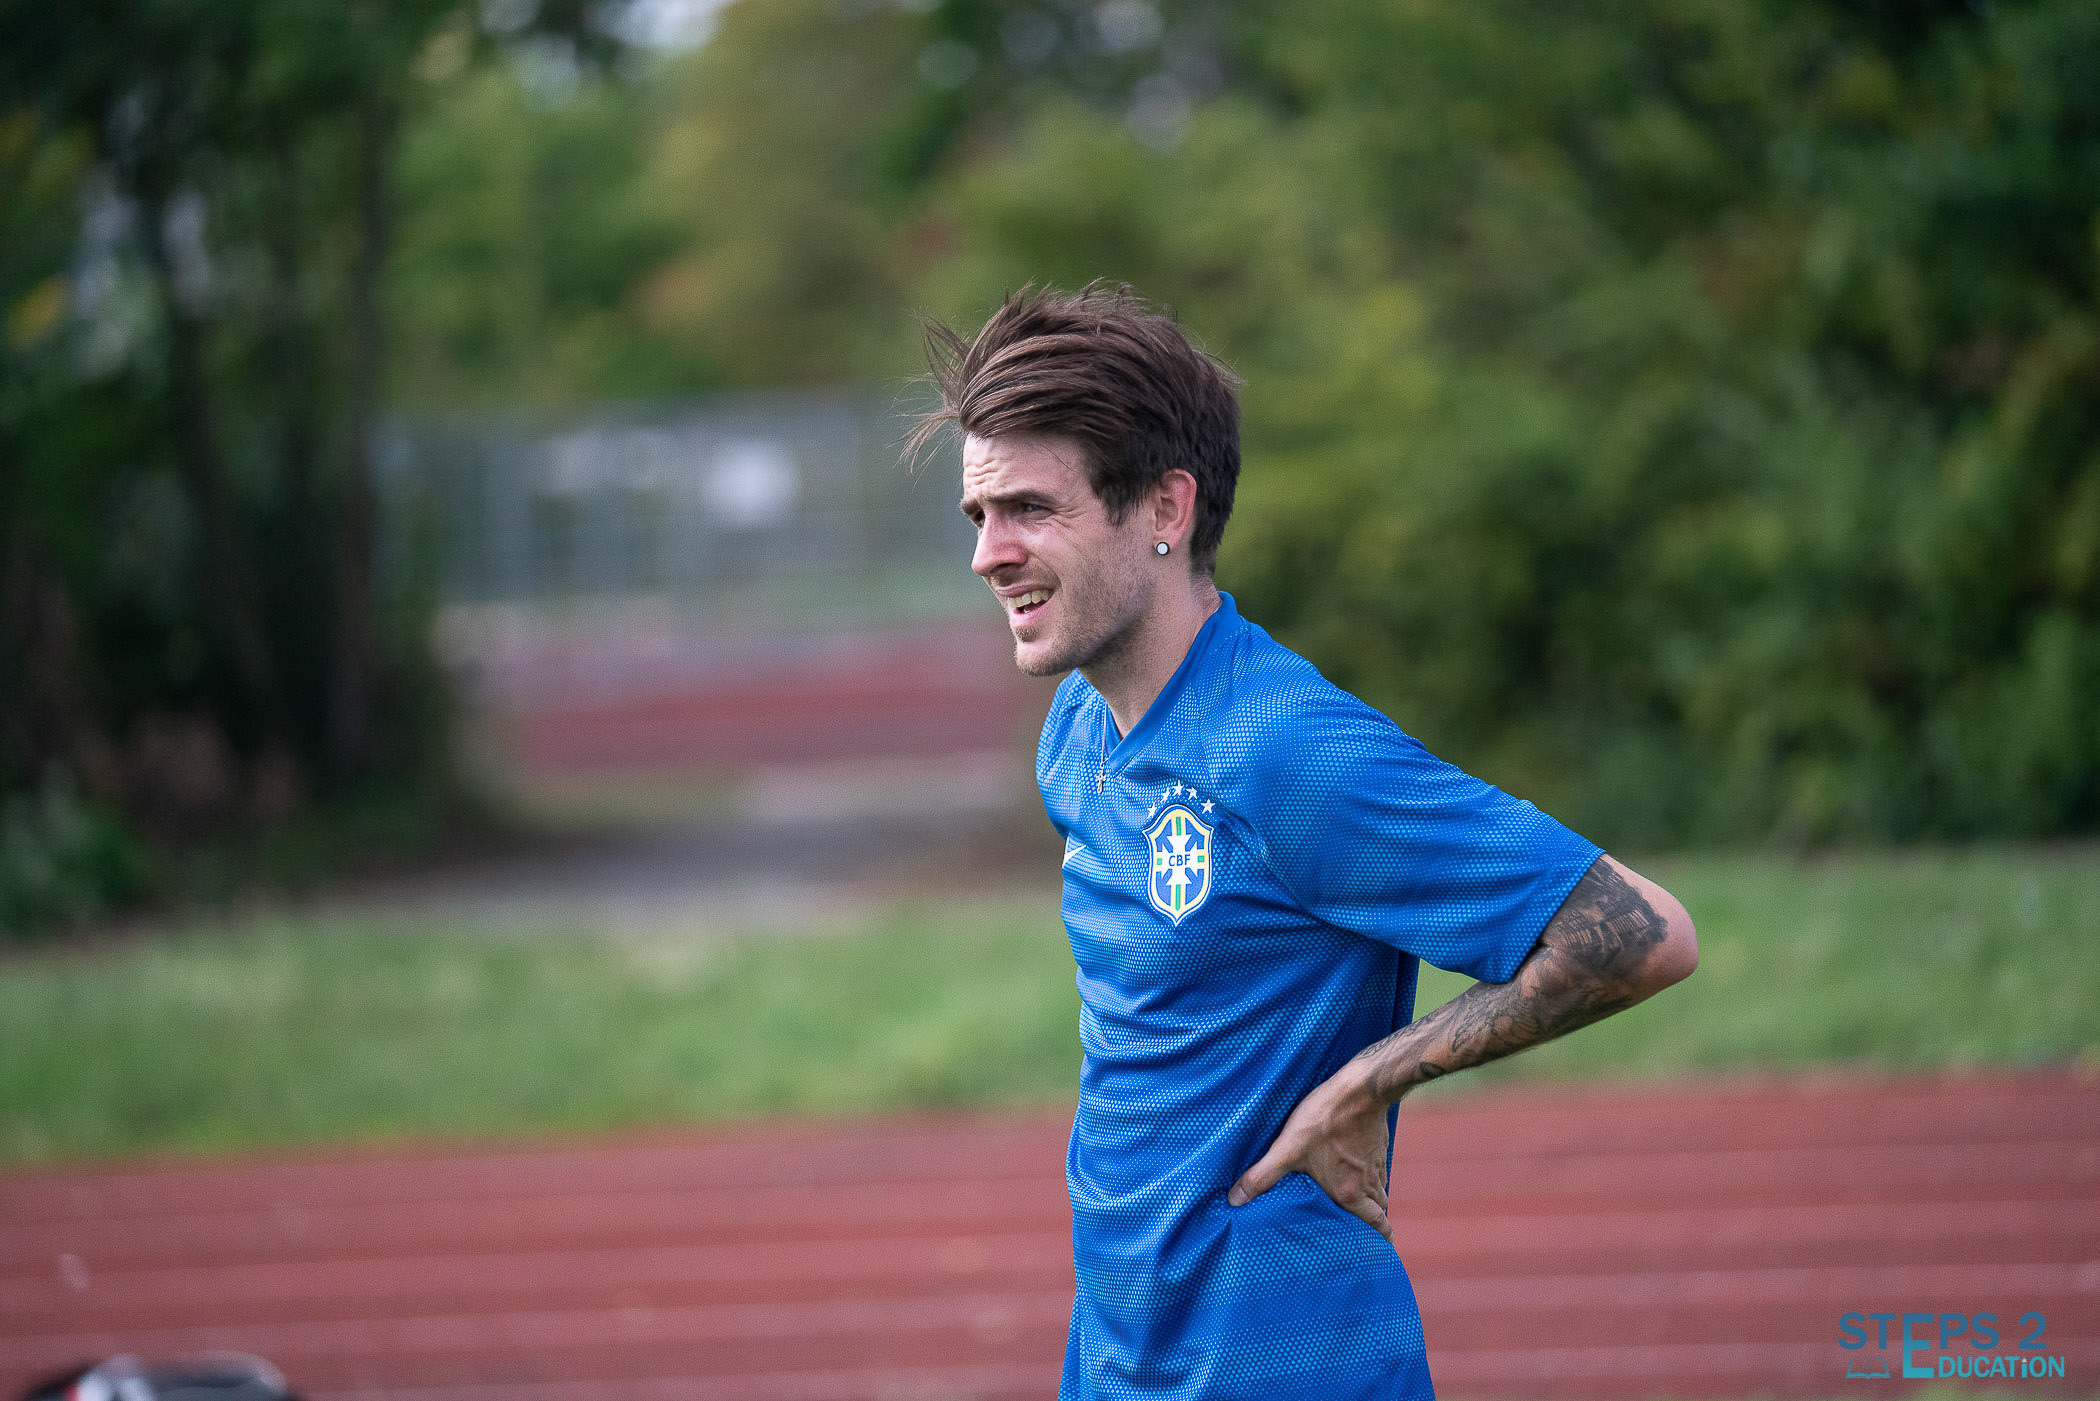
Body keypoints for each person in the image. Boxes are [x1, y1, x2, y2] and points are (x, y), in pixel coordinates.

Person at [913, 283, 1698, 1400]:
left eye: (1031, 508)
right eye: (978, 516)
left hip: (1290, 1363)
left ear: (1165, 507)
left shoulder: (1285, 747)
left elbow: (1644, 933)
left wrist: (1367, 1082)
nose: (989, 554)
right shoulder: (1076, 731)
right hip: (1119, 1354)